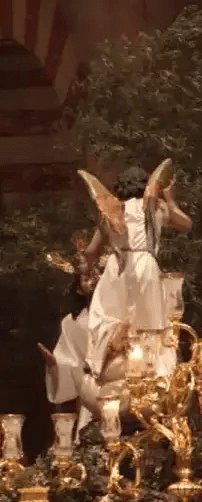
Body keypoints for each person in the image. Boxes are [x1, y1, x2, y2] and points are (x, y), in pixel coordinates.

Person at [81, 163, 192, 381]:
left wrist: (88, 272)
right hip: (145, 264)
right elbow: (186, 224)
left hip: (118, 266)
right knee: (150, 322)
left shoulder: (110, 211)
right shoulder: (155, 207)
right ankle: (155, 372)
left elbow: (92, 251)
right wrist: (169, 197)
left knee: (106, 314)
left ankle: (106, 353)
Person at [37, 231, 106, 438]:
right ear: (78, 287)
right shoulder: (71, 322)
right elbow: (71, 364)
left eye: (96, 277)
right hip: (91, 391)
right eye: (86, 278)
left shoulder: (114, 316)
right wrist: (54, 366)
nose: (92, 282)